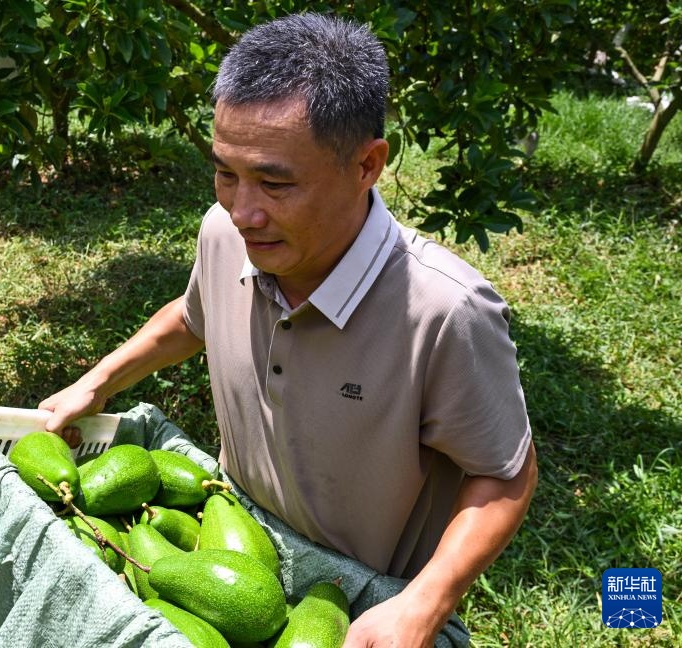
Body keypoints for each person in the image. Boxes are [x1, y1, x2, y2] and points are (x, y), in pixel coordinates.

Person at [39, 13, 537, 647]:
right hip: (229, 546)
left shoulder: (445, 312)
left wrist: (424, 603)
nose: (243, 211)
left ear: (367, 165)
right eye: (225, 172)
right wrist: (99, 381)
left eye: (276, 182)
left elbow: (507, 472)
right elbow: (193, 316)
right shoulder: (225, 236)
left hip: (361, 603)